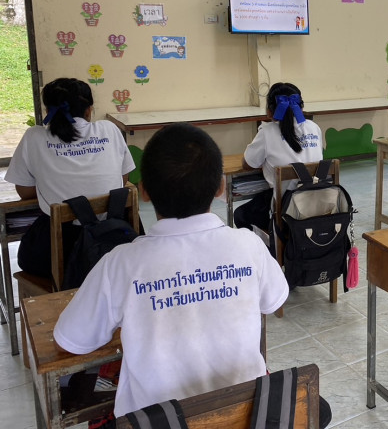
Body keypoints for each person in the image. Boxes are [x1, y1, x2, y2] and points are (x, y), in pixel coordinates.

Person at [53, 123, 291, 417]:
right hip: (244, 416)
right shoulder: (248, 244)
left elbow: (72, 338)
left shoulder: (121, 263)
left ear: (143, 191)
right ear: (220, 187)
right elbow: (274, 300)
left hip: (160, 422)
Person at [6, 77, 135, 278]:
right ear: (88, 111)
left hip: (62, 255)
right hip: (114, 244)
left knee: (28, 255)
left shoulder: (34, 137)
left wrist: (52, 186)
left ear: (47, 111)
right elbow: (123, 178)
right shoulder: (109, 129)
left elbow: (24, 191)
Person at [234, 83, 323, 232]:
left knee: (241, 214)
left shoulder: (267, 132)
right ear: (301, 107)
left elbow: (248, 164)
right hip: (319, 199)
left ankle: (270, 242)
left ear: (269, 110)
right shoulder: (314, 127)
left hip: (287, 206)